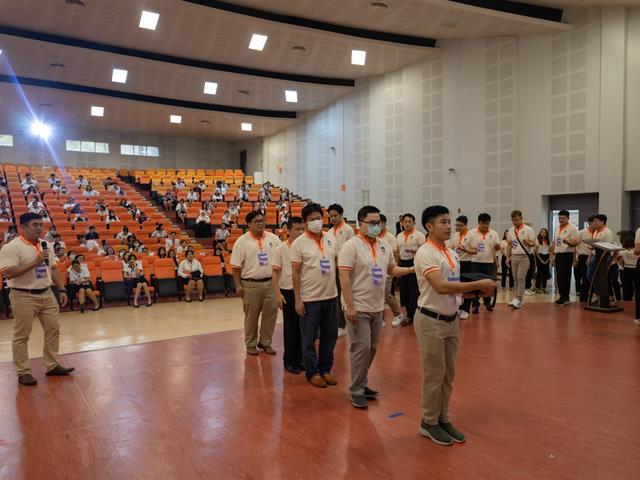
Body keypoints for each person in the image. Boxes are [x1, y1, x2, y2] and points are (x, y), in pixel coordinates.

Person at [414, 205, 496, 446]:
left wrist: (475, 294)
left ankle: (443, 418)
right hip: (431, 319)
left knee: (448, 375)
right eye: (443, 222)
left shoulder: (451, 253)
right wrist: (476, 284)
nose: (449, 226)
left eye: (450, 221)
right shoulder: (425, 253)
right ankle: (428, 422)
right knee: (434, 375)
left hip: (450, 320)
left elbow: (452, 288)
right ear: (429, 226)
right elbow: (440, 286)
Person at [339, 206, 415, 408]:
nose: (376, 226)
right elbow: (344, 278)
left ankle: (362, 384)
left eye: (378, 222)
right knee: (360, 348)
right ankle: (356, 389)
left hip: (377, 306)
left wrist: (411, 270)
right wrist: (350, 306)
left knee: (371, 348)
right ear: (360, 224)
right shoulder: (351, 246)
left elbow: (391, 269)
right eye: (371, 222)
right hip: (358, 306)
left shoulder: (384, 245)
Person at [0, 212, 73, 386]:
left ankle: (52, 365)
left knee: (53, 330)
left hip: (47, 294)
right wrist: (35, 261)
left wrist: (61, 289)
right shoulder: (11, 247)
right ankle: (23, 371)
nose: (39, 228)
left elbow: (53, 268)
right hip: (23, 295)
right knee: (22, 335)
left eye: (40, 224)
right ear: (23, 227)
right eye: (34, 225)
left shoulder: (46, 244)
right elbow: (8, 272)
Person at [291, 203, 339, 388]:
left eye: (319, 218)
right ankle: (312, 372)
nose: (316, 222)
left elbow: (335, 262)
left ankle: (325, 369)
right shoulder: (298, 243)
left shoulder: (331, 239)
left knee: (330, 336)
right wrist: (297, 299)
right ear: (304, 222)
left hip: (331, 296)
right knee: (309, 339)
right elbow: (295, 273)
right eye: (312, 220)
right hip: (310, 299)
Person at [231, 210, 281, 355]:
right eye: (256, 221)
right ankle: (250, 344)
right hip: (250, 284)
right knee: (251, 317)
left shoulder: (273, 238)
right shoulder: (242, 241)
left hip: (271, 283)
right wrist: (238, 285)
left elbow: (281, 259)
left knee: (270, 315)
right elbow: (235, 266)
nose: (260, 223)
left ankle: (266, 342)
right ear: (249, 224)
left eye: (262, 220)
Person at [271, 216, 305, 373]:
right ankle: (289, 360)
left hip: (304, 292)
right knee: (291, 328)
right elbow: (274, 272)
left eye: (302, 229)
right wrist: (278, 294)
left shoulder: (304, 247)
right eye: (297, 229)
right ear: (288, 230)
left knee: (302, 329)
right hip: (288, 292)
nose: (300, 232)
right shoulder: (281, 249)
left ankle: (300, 358)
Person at [327, 204, 355, 337]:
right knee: (334, 296)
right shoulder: (330, 231)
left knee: (341, 296)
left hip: (343, 267)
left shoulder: (348, 229)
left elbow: (351, 248)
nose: (332, 218)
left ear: (341, 214)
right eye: (330, 216)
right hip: (332, 267)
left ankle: (342, 325)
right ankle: (336, 322)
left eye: (335, 216)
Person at [580, 214, 619, 303]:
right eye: (593, 221)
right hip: (594, 256)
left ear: (602, 221)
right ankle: (600, 294)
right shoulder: (596, 231)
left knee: (601, 277)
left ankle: (605, 296)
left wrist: (602, 257)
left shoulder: (608, 232)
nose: (594, 223)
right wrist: (589, 256)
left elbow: (608, 247)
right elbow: (596, 245)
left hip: (603, 257)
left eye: (596, 221)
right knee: (590, 275)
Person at [396, 213, 426, 326]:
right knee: (404, 290)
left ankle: (413, 315)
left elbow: (424, 251)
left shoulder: (419, 235)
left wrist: (414, 251)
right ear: (402, 223)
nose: (407, 224)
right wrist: (397, 265)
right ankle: (409, 313)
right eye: (405, 222)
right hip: (403, 264)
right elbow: (398, 251)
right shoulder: (399, 236)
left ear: (414, 223)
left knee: (414, 290)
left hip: (415, 263)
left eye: (409, 221)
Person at [467, 213, 500, 313]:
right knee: (475, 284)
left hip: (489, 263)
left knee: (488, 285)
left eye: (487, 224)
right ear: (478, 223)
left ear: (489, 223)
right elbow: (468, 247)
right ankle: (475, 304)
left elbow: (497, 248)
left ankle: (487, 302)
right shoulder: (471, 233)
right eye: (482, 224)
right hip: (474, 262)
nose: (484, 226)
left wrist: (497, 247)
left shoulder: (494, 233)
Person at [505, 210, 536, 309]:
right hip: (514, 256)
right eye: (513, 220)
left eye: (516, 220)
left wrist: (528, 243)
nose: (515, 222)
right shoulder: (510, 230)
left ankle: (518, 298)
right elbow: (509, 245)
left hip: (524, 256)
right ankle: (517, 299)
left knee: (521, 278)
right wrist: (508, 257)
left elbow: (533, 243)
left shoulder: (529, 229)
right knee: (514, 278)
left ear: (521, 218)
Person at [379, 214, 404, 326]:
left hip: (388, 271)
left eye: (378, 223)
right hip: (376, 271)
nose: (376, 226)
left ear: (384, 223)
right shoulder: (374, 237)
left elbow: (395, 254)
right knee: (379, 295)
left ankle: (398, 313)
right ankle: (381, 319)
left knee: (386, 294)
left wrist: (394, 269)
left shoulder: (390, 237)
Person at [551, 211, 579, 305]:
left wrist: (568, 242)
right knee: (558, 276)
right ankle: (561, 295)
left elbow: (575, 244)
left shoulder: (573, 229)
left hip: (567, 254)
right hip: (558, 255)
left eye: (563, 218)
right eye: (559, 218)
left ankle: (566, 297)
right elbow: (554, 243)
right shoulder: (556, 228)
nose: (561, 220)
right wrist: (552, 257)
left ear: (568, 218)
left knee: (565, 276)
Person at [449, 216, 473, 319]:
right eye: (457, 225)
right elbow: (452, 248)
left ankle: (466, 309)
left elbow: (475, 251)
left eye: (460, 225)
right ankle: (458, 307)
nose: (458, 227)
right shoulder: (455, 235)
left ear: (466, 225)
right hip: (456, 264)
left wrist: (465, 250)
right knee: (457, 287)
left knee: (466, 287)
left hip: (467, 263)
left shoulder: (471, 235)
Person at [575, 216, 595, 295]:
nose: (596, 223)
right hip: (583, 257)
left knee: (592, 276)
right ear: (590, 222)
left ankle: (591, 292)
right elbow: (575, 246)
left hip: (593, 256)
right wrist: (574, 260)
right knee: (585, 276)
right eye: (594, 221)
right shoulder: (581, 232)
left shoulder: (597, 233)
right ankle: (583, 295)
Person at [618, 234, 638, 302]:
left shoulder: (622, 251)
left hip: (626, 269)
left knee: (626, 287)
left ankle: (627, 300)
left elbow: (620, 262)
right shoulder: (637, 251)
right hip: (636, 269)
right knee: (637, 285)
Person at [534, 228, 551, 293]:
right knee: (539, 273)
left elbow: (550, 250)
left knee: (545, 273)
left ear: (546, 234)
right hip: (539, 256)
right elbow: (536, 251)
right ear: (540, 233)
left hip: (546, 256)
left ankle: (544, 287)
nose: (543, 233)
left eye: (544, 232)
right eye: (542, 232)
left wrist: (548, 259)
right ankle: (537, 288)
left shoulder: (548, 241)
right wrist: (540, 259)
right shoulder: (537, 240)